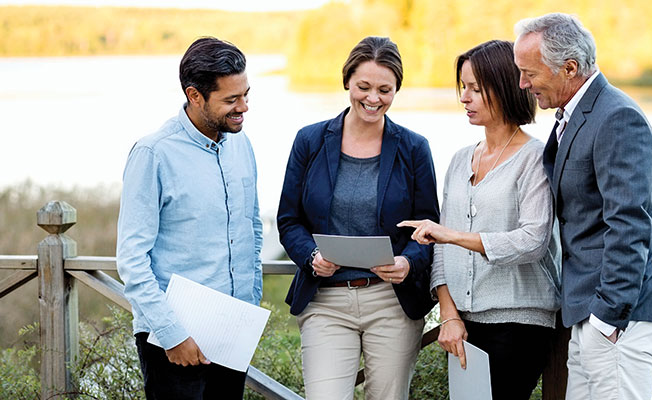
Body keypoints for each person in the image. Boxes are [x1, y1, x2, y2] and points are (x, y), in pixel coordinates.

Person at [513, 13, 652, 400]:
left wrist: (607, 318)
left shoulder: (617, 118)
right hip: (590, 312)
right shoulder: (576, 115)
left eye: (529, 73)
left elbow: (629, 225)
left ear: (569, 68)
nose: (523, 83)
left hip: (618, 317)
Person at [277, 36, 439, 400]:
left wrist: (407, 263)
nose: (373, 98)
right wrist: (311, 257)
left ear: (397, 89)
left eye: (385, 90)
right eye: (363, 87)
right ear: (347, 81)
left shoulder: (414, 148)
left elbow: (428, 227)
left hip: (392, 301)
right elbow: (288, 220)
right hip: (325, 302)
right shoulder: (309, 140)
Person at [399, 39, 561, 400]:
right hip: (463, 324)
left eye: (475, 88)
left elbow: (533, 241)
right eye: (463, 87)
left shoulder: (535, 158)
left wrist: (452, 235)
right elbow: (439, 247)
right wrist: (448, 313)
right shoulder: (460, 160)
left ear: (504, 87)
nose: (464, 97)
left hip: (519, 323)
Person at [116, 37, 261, 400]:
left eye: (246, 94)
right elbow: (132, 259)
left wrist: (251, 305)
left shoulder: (241, 144)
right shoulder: (153, 154)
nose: (243, 107)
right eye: (231, 99)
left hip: (233, 332)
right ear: (195, 95)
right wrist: (172, 335)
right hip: (174, 340)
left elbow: (252, 227)